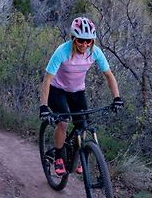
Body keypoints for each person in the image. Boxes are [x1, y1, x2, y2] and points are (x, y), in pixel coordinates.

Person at [39, 17, 123, 176]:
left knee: (83, 124)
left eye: (89, 41)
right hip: (57, 90)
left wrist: (117, 98)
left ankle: (77, 159)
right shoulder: (62, 52)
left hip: (77, 91)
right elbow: (47, 79)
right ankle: (58, 156)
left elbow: (109, 75)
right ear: (73, 39)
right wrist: (43, 106)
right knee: (63, 122)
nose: (85, 45)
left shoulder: (95, 52)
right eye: (81, 41)